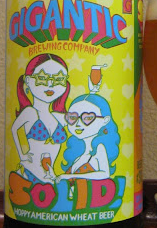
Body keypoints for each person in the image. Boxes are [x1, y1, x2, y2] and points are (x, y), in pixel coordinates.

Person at [11, 54, 70, 184]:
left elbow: (80, 123)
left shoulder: (57, 116)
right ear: (28, 80)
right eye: (42, 78)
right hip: (30, 172)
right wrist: (22, 155)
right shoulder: (31, 112)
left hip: (50, 175)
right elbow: (14, 129)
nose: (50, 84)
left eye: (58, 79)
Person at [58, 94, 120, 184]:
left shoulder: (99, 147)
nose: (78, 124)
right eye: (73, 117)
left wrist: (71, 176)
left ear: (105, 120)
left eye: (88, 118)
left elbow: (105, 174)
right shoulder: (79, 155)